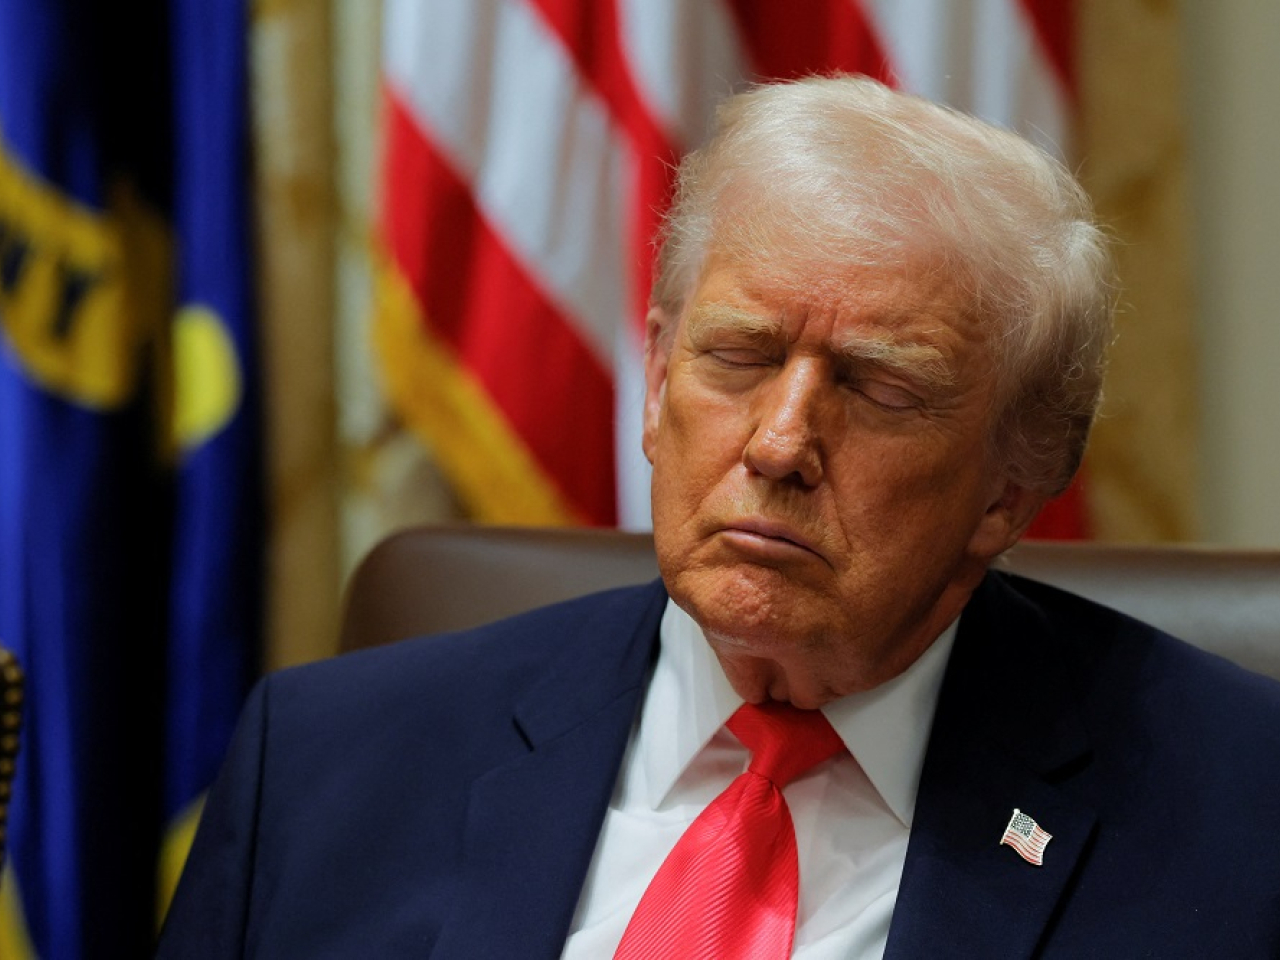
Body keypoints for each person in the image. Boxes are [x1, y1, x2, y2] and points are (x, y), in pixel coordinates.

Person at [158, 75, 1280, 958]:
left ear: (1011, 483)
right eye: (737, 357)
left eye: (879, 389)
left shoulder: (1236, 819)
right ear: (653, 387)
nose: (779, 441)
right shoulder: (322, 763)